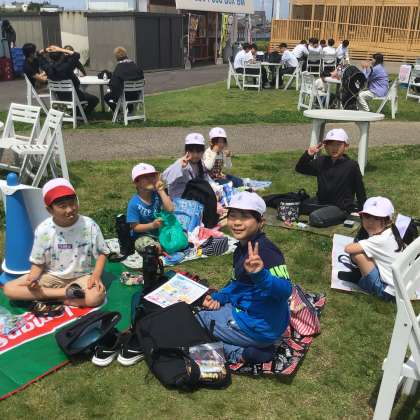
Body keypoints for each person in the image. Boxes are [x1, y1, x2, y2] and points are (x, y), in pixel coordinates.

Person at [196, 191, 292, 364]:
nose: (237, 222)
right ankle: (252, 347)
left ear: (261, 222)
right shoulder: (243, 247)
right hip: (260, 319)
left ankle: (244, 354)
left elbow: (285, 291)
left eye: (245, 217)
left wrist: (260, 275)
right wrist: (219, 297)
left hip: (259, 327)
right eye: (233, 215)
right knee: (206, 307)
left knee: (195, 320)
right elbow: (238, 284)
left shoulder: (266, 251)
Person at [3, 178, 109, 312]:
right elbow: (38, 262)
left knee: (96, 297)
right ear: (50, 210)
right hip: (52, 276)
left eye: (73, 203)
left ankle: (52, 298)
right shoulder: (43, 230)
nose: (70, 209)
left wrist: (96, 275)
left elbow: (102, 252)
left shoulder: (89, 225)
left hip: (81, 276)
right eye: (63, 206)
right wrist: (33, 278)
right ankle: (66, 294)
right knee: (9, 289)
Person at [295, 128, 366, 226]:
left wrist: (364, 212)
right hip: (321, 202)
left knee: (315, 217)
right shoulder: (322, 161)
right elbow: (300, 168)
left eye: (338, 144)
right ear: (325, 146)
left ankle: (339, 215)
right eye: (331, 145)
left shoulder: (351, 166)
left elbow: (360, 190)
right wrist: (308, 154)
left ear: (346, 146)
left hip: (340, 207)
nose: (334, 148)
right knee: (295, 207)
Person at [339, 196, 403, 301]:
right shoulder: (392, 232)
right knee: (365, 252)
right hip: (402, 287)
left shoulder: (379, 240)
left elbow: (348, 249)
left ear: (388, 221)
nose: (370, 222)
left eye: (377, 218)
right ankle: (362, 277)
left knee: (358, 255)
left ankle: (363, 281)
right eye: (367, 217)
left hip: (388, 293)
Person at [127, 163, 174, 255]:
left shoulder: (157, 195)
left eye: (152, 176)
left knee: (181, 236)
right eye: (145, 177)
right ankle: (158, 247)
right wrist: (152, 225)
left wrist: (161, 190)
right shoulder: (134, 203)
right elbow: (135, 227)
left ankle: (161, 246)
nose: (150, 179)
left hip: (160, 232)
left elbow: (170, 209)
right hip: (143, 235)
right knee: (145, 244)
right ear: (136, 182)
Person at [37, 45, 99, 115]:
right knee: (94, 99)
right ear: (61, 56)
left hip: (60, 97)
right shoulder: (66, 66)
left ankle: (76, 113)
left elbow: (38, 54)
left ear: (50, 57)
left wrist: (46, 49)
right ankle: (81, 115)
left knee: (84, 97)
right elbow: (76, 55)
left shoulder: (47, 68)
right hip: (75, 96)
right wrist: (61, 49)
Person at [162, 133, 212, 199]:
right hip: (180, 199)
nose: (195, 155)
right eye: (192, 151)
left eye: (198, 151)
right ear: (186, 151)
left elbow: (207, 179)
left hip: (195, 196)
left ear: (203, 151)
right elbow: (165, 177)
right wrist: (181, 166)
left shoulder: (200, 164)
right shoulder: (181, 163)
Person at [104, 46, 144, 113]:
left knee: (106, 97)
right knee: (125, 92)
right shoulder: (136, 66)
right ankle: (130, 112)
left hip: (125, 96)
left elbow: (113, 84)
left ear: (116, 57)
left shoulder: (119, 68)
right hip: (136, 95)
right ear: (126, 55)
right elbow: (142, 80)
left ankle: (118, 113)